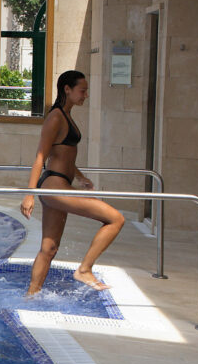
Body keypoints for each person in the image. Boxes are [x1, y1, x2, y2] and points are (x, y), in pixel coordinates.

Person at [20, 70, 124, 295]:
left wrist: (80, 176)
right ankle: (85, 270)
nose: (85, 95)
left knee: (49, 248)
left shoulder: (66, 115)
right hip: (54, 187)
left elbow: (63, 153)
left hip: (59, 185)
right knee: (116, 219)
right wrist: (29, 194)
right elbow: (41, 156)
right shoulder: (56, 117)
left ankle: (31, 296)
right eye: (82, 90)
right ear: (67, 89)